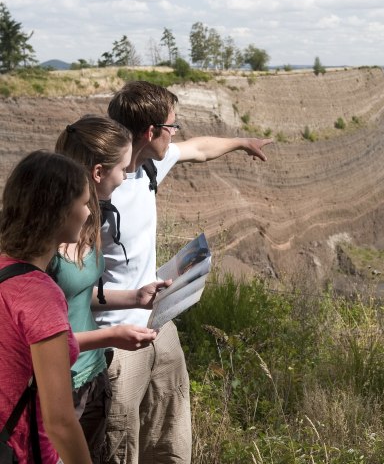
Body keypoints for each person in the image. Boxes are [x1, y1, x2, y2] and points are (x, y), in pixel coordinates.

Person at [94, 80, 272, 464]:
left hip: (160, 321)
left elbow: (200, 149)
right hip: (116, 338)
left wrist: (242, 142)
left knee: (169, 435)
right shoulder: (98, 190)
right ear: (150, 132)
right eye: (171, 127)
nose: (176, 135)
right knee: (119, 443)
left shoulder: (151, 166)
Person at [53, 115, 170, 462]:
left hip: (91, 374)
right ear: (99, 172)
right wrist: (111, 336)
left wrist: (135, 297)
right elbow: (39, 336)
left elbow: (75, 294)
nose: (127, 175)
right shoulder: (51, 231)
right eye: (122, 168)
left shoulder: (88, 219)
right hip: (61, 381)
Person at [0, 150, 92, 464]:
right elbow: (61, 423)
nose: (89, 212)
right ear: (60, 211)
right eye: (84, 203)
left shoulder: (4, 270)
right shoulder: (39, 294)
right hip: (24, 452)